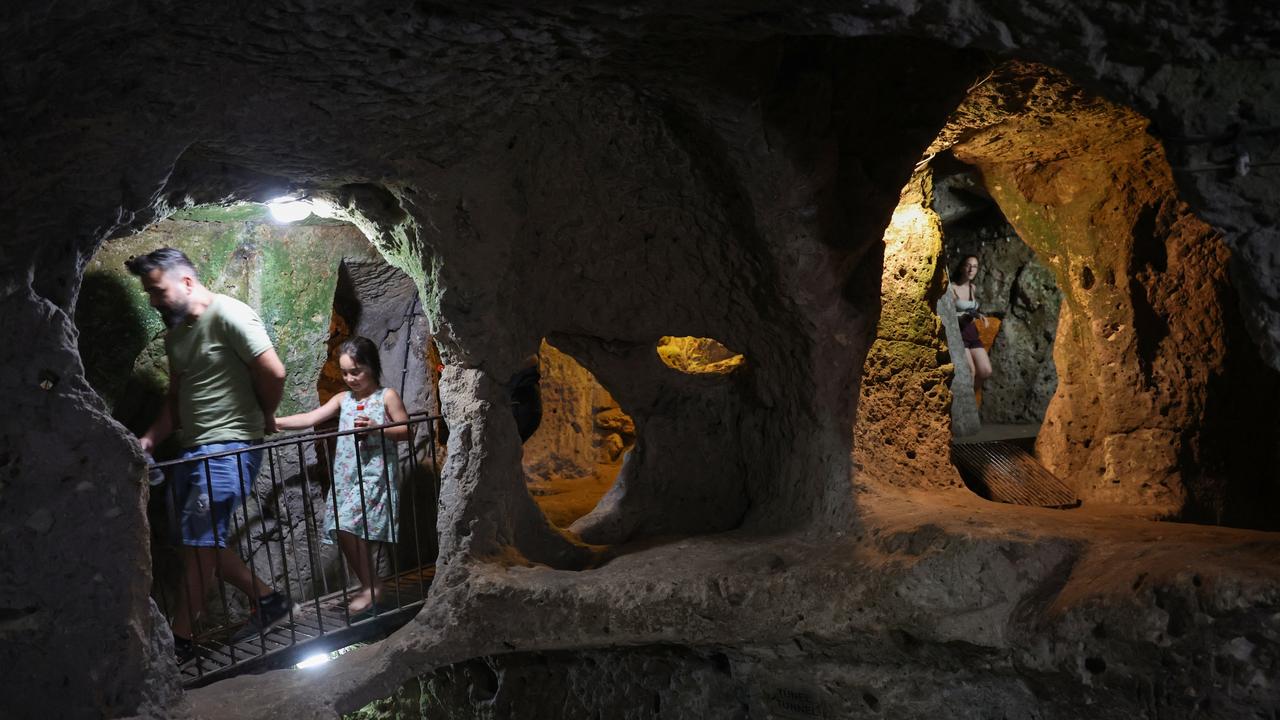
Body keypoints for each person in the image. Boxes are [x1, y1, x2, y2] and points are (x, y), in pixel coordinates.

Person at [126, 248, 291, 664]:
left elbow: (274, 371)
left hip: (229, 447)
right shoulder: (177, 335)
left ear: (185, 282)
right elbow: (176, 398)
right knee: (197, 542)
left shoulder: (231, 314)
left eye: (157, 290)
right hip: (193, 449)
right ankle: (269, 600)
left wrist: (265, 416)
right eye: (148, 292)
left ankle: (180, 640)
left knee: (200, 543)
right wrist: (149, 440)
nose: (153, 300)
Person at [275, 336, 409, 614]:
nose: (350, 378)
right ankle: (369, 585)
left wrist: (376, 427)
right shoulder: (342, 399)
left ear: (371, 367)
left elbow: (407, 430)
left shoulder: (387, 396)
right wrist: (274, 423)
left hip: (375, 473)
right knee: (341, 526)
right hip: (346, 476)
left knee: (347, 525)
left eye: (356, 371)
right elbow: (310, 418)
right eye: (345, 372)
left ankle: (372, 587)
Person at [950, 254, 993, 397]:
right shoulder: (952, 287)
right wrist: (964, 316)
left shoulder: (972, 288)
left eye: (974, 266)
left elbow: (971, 310)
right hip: (958, 333)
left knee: (985, 370)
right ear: (962, 267)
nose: (971, 269)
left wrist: (979, 315)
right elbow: (951, 312)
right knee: (970, 371)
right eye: (968, 265)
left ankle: (970, 399)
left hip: (971, 332)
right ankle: (964, 406)